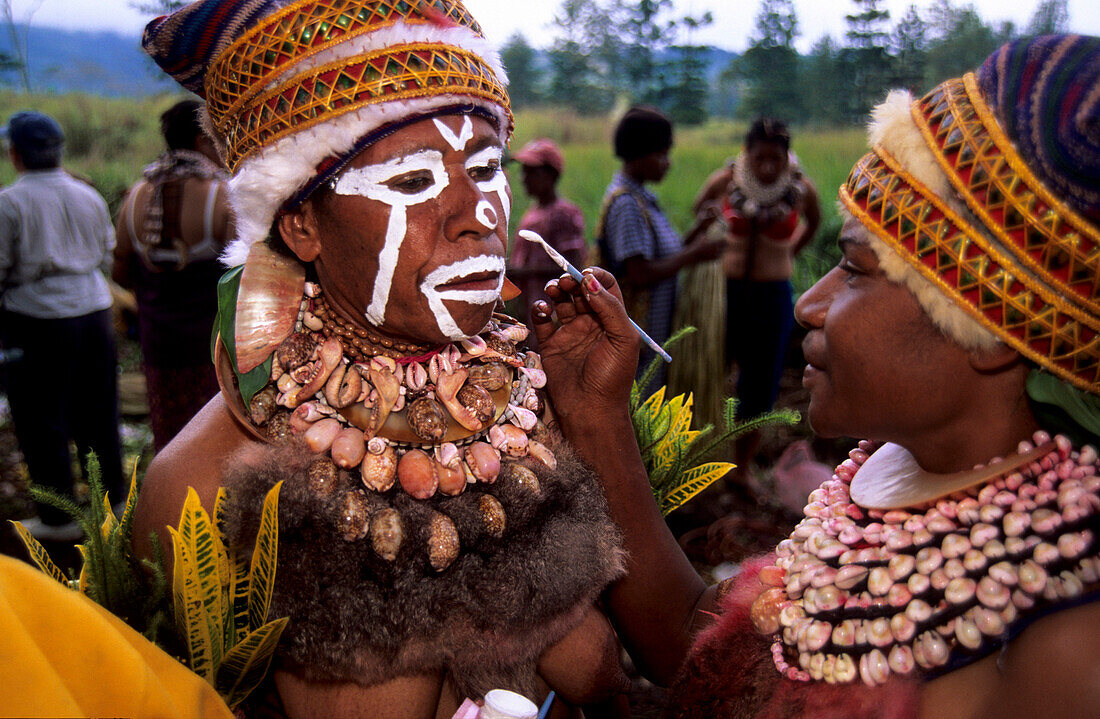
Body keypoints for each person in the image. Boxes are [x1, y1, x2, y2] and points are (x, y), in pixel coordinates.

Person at [532, 34, 1100, 718]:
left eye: (856, 269)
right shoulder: (884, 474)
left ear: (987, 326)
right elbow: (701, 644)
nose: (811, 302)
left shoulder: (1064, 652)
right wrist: (596, 412)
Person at [134, 2, 626, 717]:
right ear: (301, 223)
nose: (478, 214)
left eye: (487, 168)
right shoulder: (202, 488)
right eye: (412, 182)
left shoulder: (540, 406)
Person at [0, 110, 123, 542]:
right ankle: (115, 503)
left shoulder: (10, 202)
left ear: (15, 153)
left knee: (40, 418)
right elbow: (108, 253)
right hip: (92, 312)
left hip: (36, 320)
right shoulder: (87, 195)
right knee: (98, 409)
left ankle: (57, 518)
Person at [693, 118, 820, 476]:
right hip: (726, 295)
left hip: (772, 297)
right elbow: (699, 208)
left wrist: (789, 251)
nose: (767, 166)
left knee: (761, 385)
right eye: (760, 157)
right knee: (711, 374)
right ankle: (703, 461)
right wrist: (713, 229)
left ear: (786, 158)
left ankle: (740, 470)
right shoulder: (726, 180)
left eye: (775, 159)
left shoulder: (801, 189)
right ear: (747, 154)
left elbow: (814, 220)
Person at [114, 99, 233, 451]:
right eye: (219, 138)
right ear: (201, 140)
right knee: (214, 438)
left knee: (170, 436)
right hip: (210, 350)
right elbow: (244, 279)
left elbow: (120, 272)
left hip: (158, 346)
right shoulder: (221, 196)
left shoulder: (137, 195)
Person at [598, 106, 723, 382]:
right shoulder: (627, 204)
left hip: (654, 332)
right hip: (639, 337)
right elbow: (639, 273)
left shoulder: (643, 198)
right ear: (639, 154)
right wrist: (694, 254)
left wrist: (697, 230)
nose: (667, 162)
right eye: (662, 154)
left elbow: (666, 253)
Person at [507, 138, 585, 345]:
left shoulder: (562, 214)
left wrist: (521, 273)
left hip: (555, 312)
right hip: (532, 308)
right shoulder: (533, 213)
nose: (524, 178)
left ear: (551, 175)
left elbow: (573, 268)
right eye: (524, 171)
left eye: (532, 172)